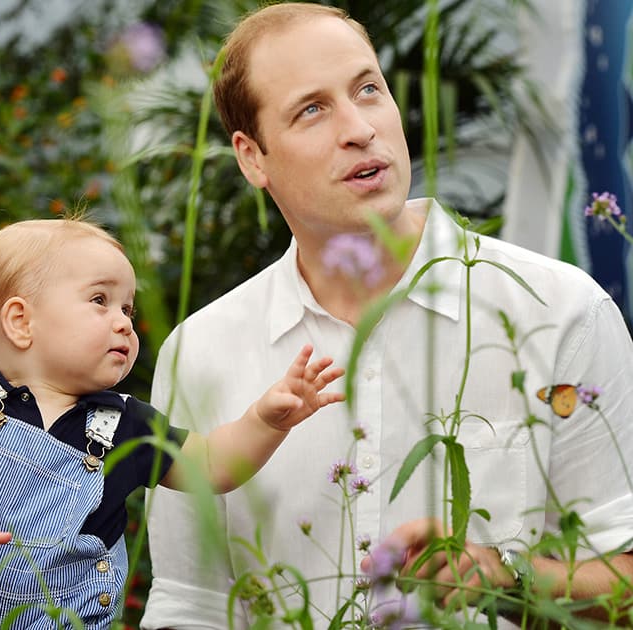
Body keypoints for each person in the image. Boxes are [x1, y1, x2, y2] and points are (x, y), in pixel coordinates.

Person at [140, 3, 633, 628]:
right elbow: (191, 603)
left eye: (368, 89)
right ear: (252, 157)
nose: (359, 128)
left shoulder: (561, 310)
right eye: (312, 109)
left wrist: (508, 576)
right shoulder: (201, 350)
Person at [0, 217, 346, 629]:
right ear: (21, 322)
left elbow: (213, 466)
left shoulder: (126, 422)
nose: (125, 323)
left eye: (127, 309)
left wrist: (265, 420)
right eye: (100, 301)